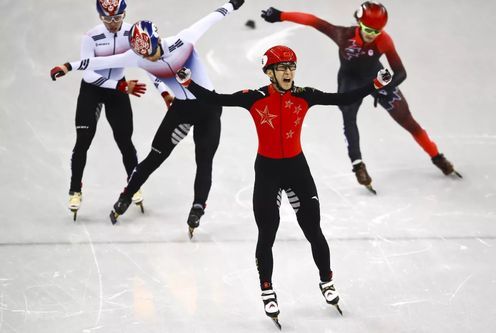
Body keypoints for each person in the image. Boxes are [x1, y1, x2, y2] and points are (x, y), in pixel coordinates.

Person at [174, 45, 392, 325]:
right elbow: (217, 99)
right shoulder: (254, 98)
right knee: (267, 234)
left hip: (297, 169)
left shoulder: (305, 96)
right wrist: (187, 83)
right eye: (282, 68)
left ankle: (326, 281)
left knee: (313, 229)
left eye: (291, 67)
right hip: (267, 172)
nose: (288, 72)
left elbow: (343, 97)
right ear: (269, 72)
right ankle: (267, 289)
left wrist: (374, 84)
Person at [51, 0, 245, 234]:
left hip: (209, 110)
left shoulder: (183, 40)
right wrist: (67, 66)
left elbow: (212, 17)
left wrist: (233, 4)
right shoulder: (137, 56)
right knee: (154, 157)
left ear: (157, 41)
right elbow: (100, 62)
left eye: (150, 53)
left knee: (204, 161)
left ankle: (197, 208)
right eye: (142, 55)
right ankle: (126, 196)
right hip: (181, 110)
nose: (148, 59)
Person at [261, 2, 460, 193]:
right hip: (350, 82)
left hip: (377, 79)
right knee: (349, 118)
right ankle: (358, 165)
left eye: (376, 31)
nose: (371, 35)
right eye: (367, 29)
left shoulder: (384, 40)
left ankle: (437, 157)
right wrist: (281, 15)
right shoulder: (342, 35)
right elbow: (313, 21)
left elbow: (401, 73)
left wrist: (385, 86)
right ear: (359, 23)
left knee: (408, 121)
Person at [65, 0, 147, 220]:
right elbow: (88, 73)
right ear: (99, 17)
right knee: (83, 139)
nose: (112, 23)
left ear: (124, 14)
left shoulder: (132, 33)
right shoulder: (91, 37)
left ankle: (133, 183)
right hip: (93, 90)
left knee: (124, 140)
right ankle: (75, 189)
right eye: (107, 19)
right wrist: (119, 86)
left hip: (118, 90)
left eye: (117, 18)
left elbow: (149, 59)